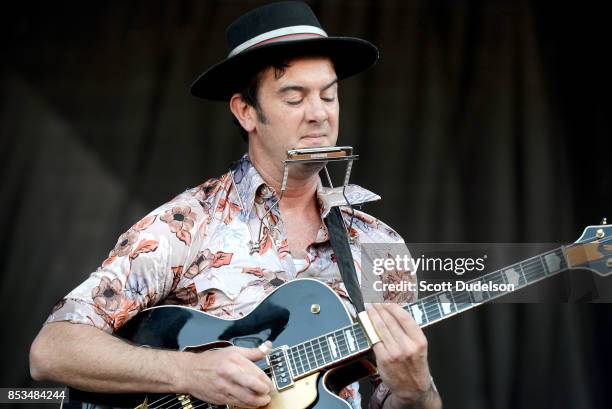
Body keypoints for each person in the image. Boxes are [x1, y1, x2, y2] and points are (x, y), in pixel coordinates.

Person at [29, 2, 442, 408]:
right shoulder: (188, 222)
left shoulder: (378, 246)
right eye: (294, 98)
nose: (319, 114)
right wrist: (188, 373)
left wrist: (415, 390)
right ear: (246, 111)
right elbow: (51, 350)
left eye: (329, 96)